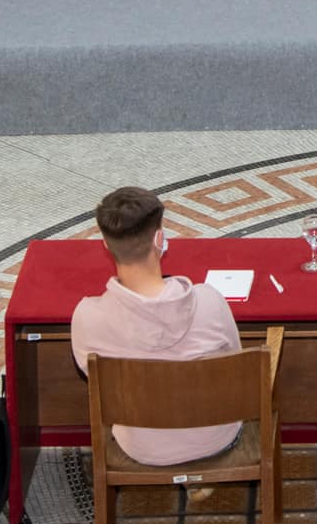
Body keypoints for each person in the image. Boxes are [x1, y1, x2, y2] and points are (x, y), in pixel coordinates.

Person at [70, 186, 242, 466]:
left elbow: (92, 378)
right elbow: (234, 363)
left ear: (105, 244)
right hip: (215, 437)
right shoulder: (210, 300)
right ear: (160, 238)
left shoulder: (87, 317)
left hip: (141, 447)